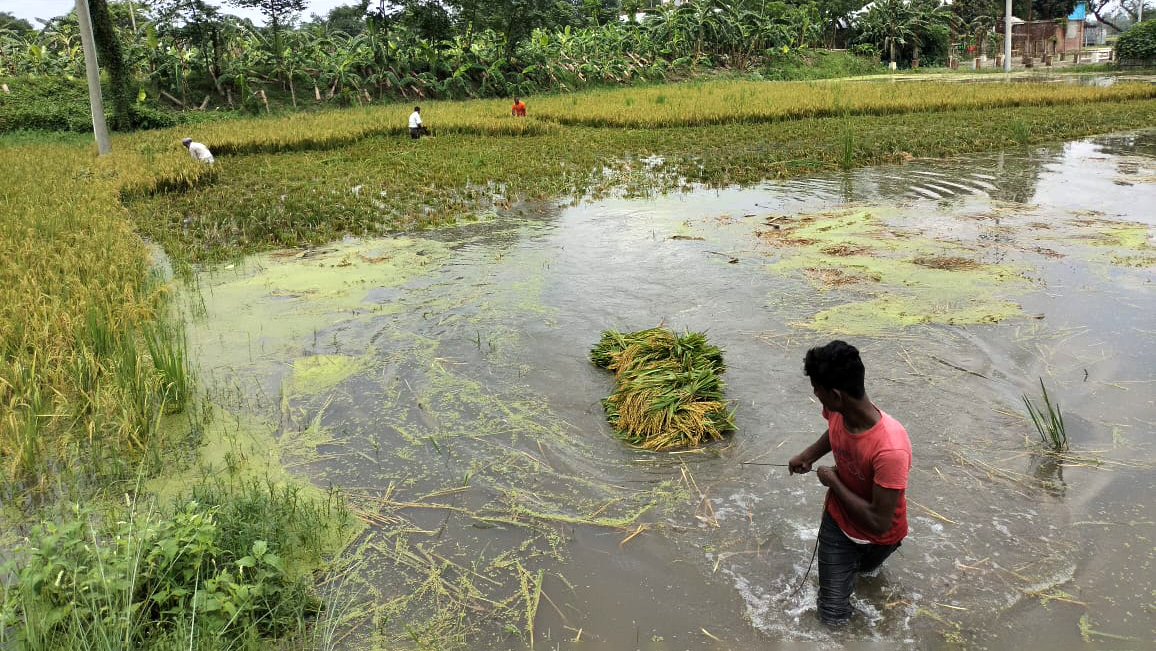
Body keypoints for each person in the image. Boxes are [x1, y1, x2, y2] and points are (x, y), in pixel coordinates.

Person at [788, 340, 911, 625]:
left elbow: (879, 521)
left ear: (835, 394)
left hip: (880, 538)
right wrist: (808, 455)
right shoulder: (838, 410)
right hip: (839, 524)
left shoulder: (890, 449)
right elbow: (833, 431)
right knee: (832, 616)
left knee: (865, 573)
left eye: (817, 390)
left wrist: (833, 482)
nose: (816, 395)